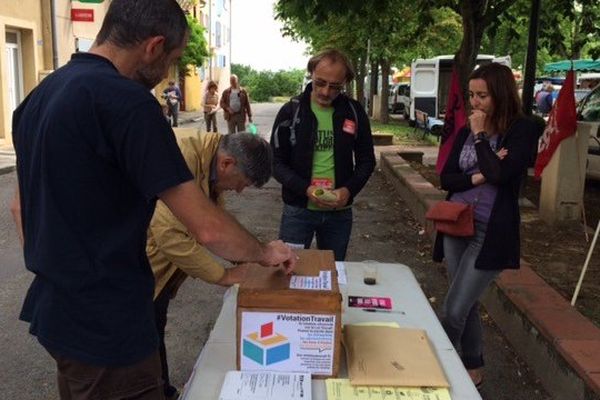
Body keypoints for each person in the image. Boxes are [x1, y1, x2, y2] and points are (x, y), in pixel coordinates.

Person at [9, 1, 296, 399]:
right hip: (109, 325)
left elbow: (19, 207)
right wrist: (263, 253)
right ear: (154, 46)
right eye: (172, 59)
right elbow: (207, 227)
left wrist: (60, 270)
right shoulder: (128, 103)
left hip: (57, 311)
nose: (165, 73)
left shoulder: (39, 96)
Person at [432, 62, 537, 388]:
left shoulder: (522, 129)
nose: (475, 103)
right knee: (465, 300)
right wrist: (479, 172)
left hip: (490, 232)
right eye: (471, 95)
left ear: (501, 95)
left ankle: (436, 368)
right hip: (456, 224)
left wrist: (480, 137)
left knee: (453, 308)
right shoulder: (463, 130)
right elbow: (446, 177)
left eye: (483, 96)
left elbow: (502, 175)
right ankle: (473, 366)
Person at [148, 131, 271, 399]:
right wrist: (224, 275)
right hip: (136, 273)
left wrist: (253, 255)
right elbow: (169, 235)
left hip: (153, 276)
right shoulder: (185, 160)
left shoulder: (210, 163)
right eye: (242, 183)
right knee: (141, 348)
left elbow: (217, 221)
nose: (239, 190)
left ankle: (163, 390)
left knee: (152, 336)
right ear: (227, 163)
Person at [270, 48, 376, 261]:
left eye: (335, 86)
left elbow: (367, 160)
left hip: (339, 212)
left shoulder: (353, 112)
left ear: (345, 82)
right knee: (290, 271)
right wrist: (305, 189)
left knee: (334, 273)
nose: (326, 92)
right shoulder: (291, 111)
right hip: (298, 211)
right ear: (311, 74)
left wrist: (348, 190)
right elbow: (276, 163)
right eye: (320, 83)